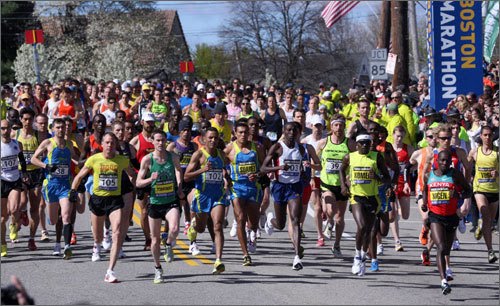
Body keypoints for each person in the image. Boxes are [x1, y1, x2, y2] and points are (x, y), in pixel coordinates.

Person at [70, 132, 136, 283]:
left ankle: (110, 271)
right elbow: (79, 176)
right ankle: (96, 244)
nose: (109, 145)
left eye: (112, 143)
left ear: (115, 145)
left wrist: (135, 186)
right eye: (107, 142)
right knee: (98, 236)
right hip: (98, 200)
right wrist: (73, 191)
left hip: (114, 200)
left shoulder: (122, 160)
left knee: (117, 231)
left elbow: (131, 175)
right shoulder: (94, 159)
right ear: (102, 145)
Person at [261, 122, 321, 270]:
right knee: (281, 224)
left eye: (295, 130)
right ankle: (270, 220)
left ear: (299, 132)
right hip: (280, 187)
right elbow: (263, 168)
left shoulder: (302, 148)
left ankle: (296, 257)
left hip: (295, 187)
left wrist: (307, 168)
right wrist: (279, 167)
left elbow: (313, 165)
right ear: (284, 131)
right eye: (289, 130)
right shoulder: (278, 147)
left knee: (295, 220)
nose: (292, 132)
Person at [137, 129, 184, 284]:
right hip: (155, 203)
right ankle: (158, 268)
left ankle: (169, 244)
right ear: (153, 141)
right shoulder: (148, 160)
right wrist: (151, 179)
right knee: (155, 240)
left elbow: (178, 170)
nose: (160, 143)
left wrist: (179, 185)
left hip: (170, 200)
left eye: (163, 140)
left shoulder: (173, 157)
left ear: (166, 141)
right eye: (157, 140)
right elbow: (138, 182)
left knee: (175, 228)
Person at [339, 133, 391, 276]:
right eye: (361, 143)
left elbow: (387, 178)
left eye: (367, 143)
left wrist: (377, 177)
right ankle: (356, 256)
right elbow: (341, 170)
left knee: (368, 230)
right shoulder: (350, 157)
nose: (364, 145)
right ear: (357, 145)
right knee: (361, 226)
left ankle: (363, 256)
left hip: (373, 198)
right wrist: (343, 186)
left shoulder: (376, 157)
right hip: (356, 197)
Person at [422, 150, 472, 295]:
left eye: (447, 161)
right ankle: (443, 281)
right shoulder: (428, 175)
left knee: (447, 250)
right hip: (435, 216)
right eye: (442, 160)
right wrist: (425, 203)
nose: (444, 163)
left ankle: (444, 273)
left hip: (451, 216)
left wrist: (459, 195)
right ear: (437, 161)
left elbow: (468, 190)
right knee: (441, 247)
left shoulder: (455, 175)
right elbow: (425, 189)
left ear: (451, 162)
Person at [184, 127, 231, 274]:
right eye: (210, 138)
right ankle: (193, 226)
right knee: (201, 228)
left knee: (218, 225)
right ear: (204, 139)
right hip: (202, 196)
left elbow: (225, 170)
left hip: (218, 195)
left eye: (215, 138)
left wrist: (228, 180)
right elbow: (186, 176)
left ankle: (218, 261)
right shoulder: (199, 155)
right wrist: (202, 170)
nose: (213, 140)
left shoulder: (222, 155)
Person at [31, 118, 78, 259]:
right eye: (57, 127)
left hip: (65, 185)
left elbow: (75, 160)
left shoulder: (69, 144)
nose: (60, 130)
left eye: (62, 127)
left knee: (66, 216)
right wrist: (46, 166)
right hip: (51, 186)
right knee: (53, 219)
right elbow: (33, 159)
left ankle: (66, 247)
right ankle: (57, 243)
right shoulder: (48, 143)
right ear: (53, 129)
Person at [224, 121, 265, 266]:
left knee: (252, 222)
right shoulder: (229, 149)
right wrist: (225, 177)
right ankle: (245, 254)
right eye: (240, 132)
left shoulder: (257, 147)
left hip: (254, 188)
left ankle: (252, 232)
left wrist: (257, 174)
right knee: (241, 218)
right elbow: (220, 164)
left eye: (245, 132)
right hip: (237, 188)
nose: (243, 135)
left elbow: (264, 167)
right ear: (235, 133)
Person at [316, 114, 355, 256]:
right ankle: (329, 221)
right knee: (330, 210)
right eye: (336, 125)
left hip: (342, 184)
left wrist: (350, 177)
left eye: (341, 125)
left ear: (344, 127)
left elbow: (356, 161)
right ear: (331, 127)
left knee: (340, 217)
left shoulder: (350, 144)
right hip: (327, 183)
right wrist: (311, 170)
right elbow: (315, 159)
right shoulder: (323, 143)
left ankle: (337, 244)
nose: (338, 128)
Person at [468, 125, 499, 263]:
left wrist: (497, 173)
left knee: (489, 222)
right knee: (485, 214)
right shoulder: (475, 152)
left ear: (493, 136)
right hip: (479, 188)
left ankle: (481, 225)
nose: (487, 138)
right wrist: (466, 179)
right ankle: (490, 251)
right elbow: (467, 166)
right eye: (485, 135)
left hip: (494, 190)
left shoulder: (497, 153)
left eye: (490, 135)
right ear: (480, 136)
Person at [15, 108, 44, 251]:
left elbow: (45, 151)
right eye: (25, 119)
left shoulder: (38, 135)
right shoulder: (16, 134)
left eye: (30, 119)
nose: (27, 122)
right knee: (21, 201)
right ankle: (22, 212)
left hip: (36, 173)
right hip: (20, 172)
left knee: (35, 208)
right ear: (20, 119)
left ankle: (31, 238)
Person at [1, 120, 28, 257]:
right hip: (2, 181)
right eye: (3, 128)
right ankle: (3, 243)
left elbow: (21, 160)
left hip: (15, 180)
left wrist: (24, 173)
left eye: (7, 128)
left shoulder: (17, 144)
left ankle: (13, 225)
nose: (5, 131)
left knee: (14, 209)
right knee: (2, 217)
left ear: (11, 129)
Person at [166, 117, 198, 236]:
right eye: (184, 130)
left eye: (188, 130)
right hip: (177, 183)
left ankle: (191, 230)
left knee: (194, 202)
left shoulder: (194, 147)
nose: (186, 132)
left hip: (190, 182)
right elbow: (166, 165)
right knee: (176, 212)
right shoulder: (172, 146)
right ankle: (168, 236)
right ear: (179, 131)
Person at [130, 112, 156, 250]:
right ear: (142, 122)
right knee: (144, 210)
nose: (150, 124)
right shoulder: (136, 141)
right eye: (148, 122)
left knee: (159, 209)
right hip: (142, 180)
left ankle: (158, 236)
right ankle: (148, 239)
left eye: (152, 122)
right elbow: (128, 158)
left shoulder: (156, 140)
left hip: (157, 180)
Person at [389, 126, 414, 252]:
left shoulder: (408, 149)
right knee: (392, 215)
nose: (399, 139)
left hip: (404, 184)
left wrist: (409, 172)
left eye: (401, 136)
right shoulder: (388, 148)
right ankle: (397, 241)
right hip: (392, 184)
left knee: (405, 215)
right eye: (397, 136)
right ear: (393, 135)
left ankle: (398, 211)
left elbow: (415, 163)